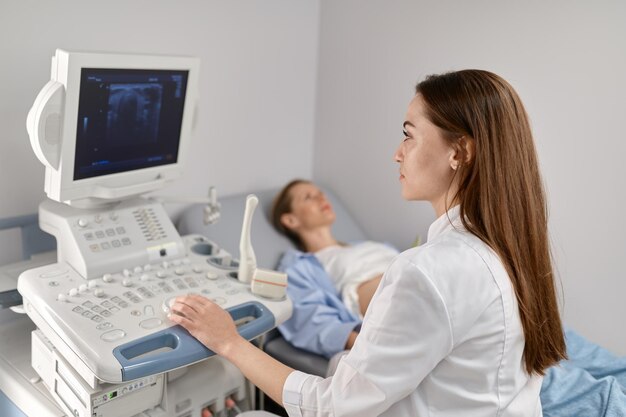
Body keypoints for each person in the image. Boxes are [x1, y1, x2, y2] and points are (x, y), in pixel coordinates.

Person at [169, 69, 567, 416]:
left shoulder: (427, 269)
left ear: (459, 151)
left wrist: (228, 341)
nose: (397, 154)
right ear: (289, 221)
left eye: (409, 136)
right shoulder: (507, 249)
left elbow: (332, 408)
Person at [269, 179, 398, 357]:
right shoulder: (299, 267)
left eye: (320, 194)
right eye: (309, 197)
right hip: (397, 307)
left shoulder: (369, 245)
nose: (321, 198)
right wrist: (371, 349)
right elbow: (310, 321)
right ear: (291, 220)